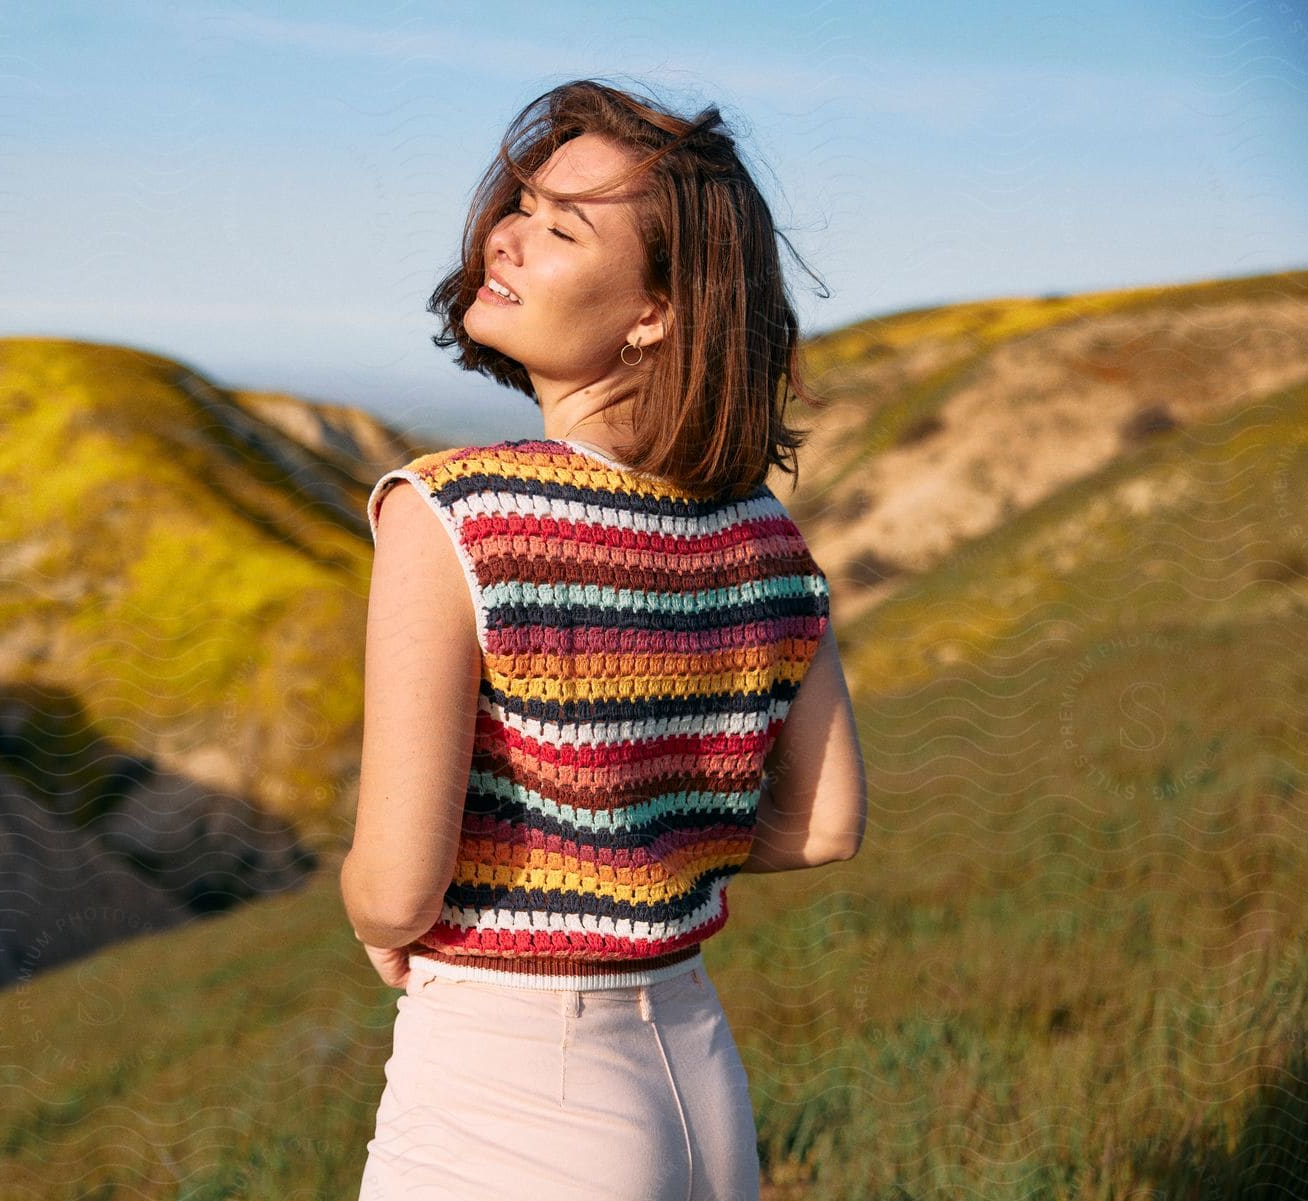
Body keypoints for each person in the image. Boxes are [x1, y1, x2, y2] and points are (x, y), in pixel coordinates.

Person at [341, 78, 868, 1201]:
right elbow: (825, 826)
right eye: (522, 202)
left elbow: (396, 887)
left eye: (562, 226)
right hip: (698, 1075)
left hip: (507, 1089)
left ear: (657, 311)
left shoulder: (455, 512)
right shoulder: (767, 536)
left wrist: (381, 914)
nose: (509, 236)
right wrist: (642, 864)